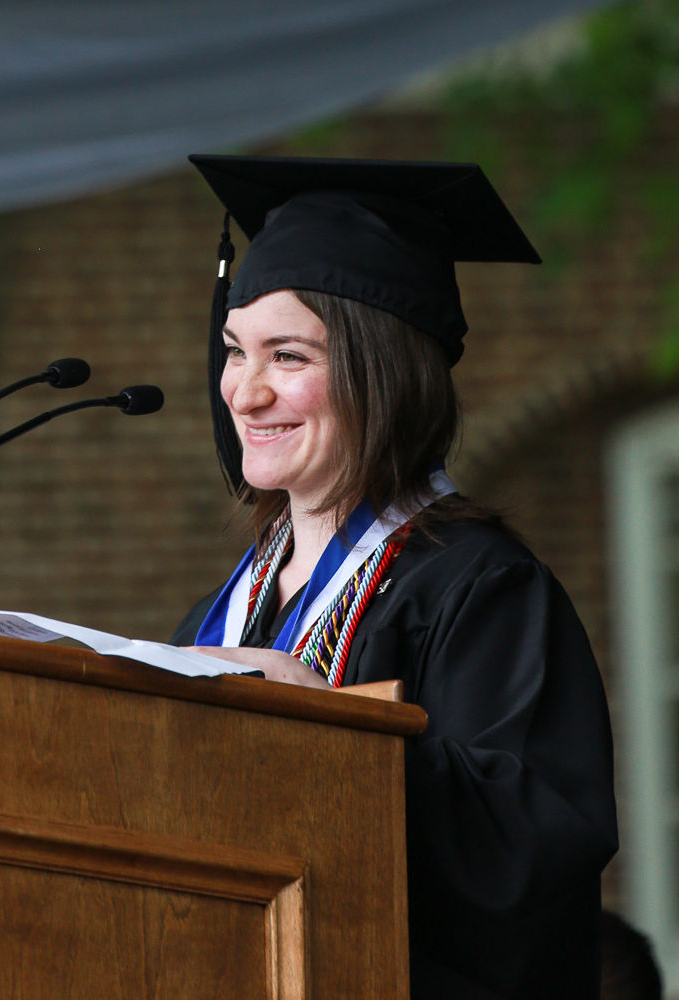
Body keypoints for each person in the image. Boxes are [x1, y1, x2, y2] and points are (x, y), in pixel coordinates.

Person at [173, 154, 619, 999]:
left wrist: (331, 738)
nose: (245, 391)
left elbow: (533, 845)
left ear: (385, 373)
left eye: (289, 356)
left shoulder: (482, 590)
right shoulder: (221, 614)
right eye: (236, 351)